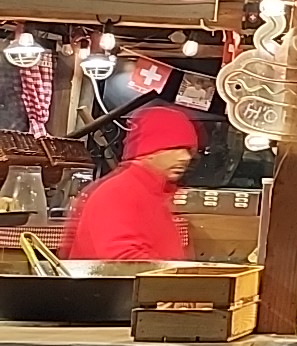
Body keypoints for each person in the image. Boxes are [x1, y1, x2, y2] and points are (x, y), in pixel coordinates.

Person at [61, 104, 199, 261]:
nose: (185, 158)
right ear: (149, 150)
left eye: (189, 151)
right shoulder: (118, 193)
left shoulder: (154, 194)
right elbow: (124, 261)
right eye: (176, 148)